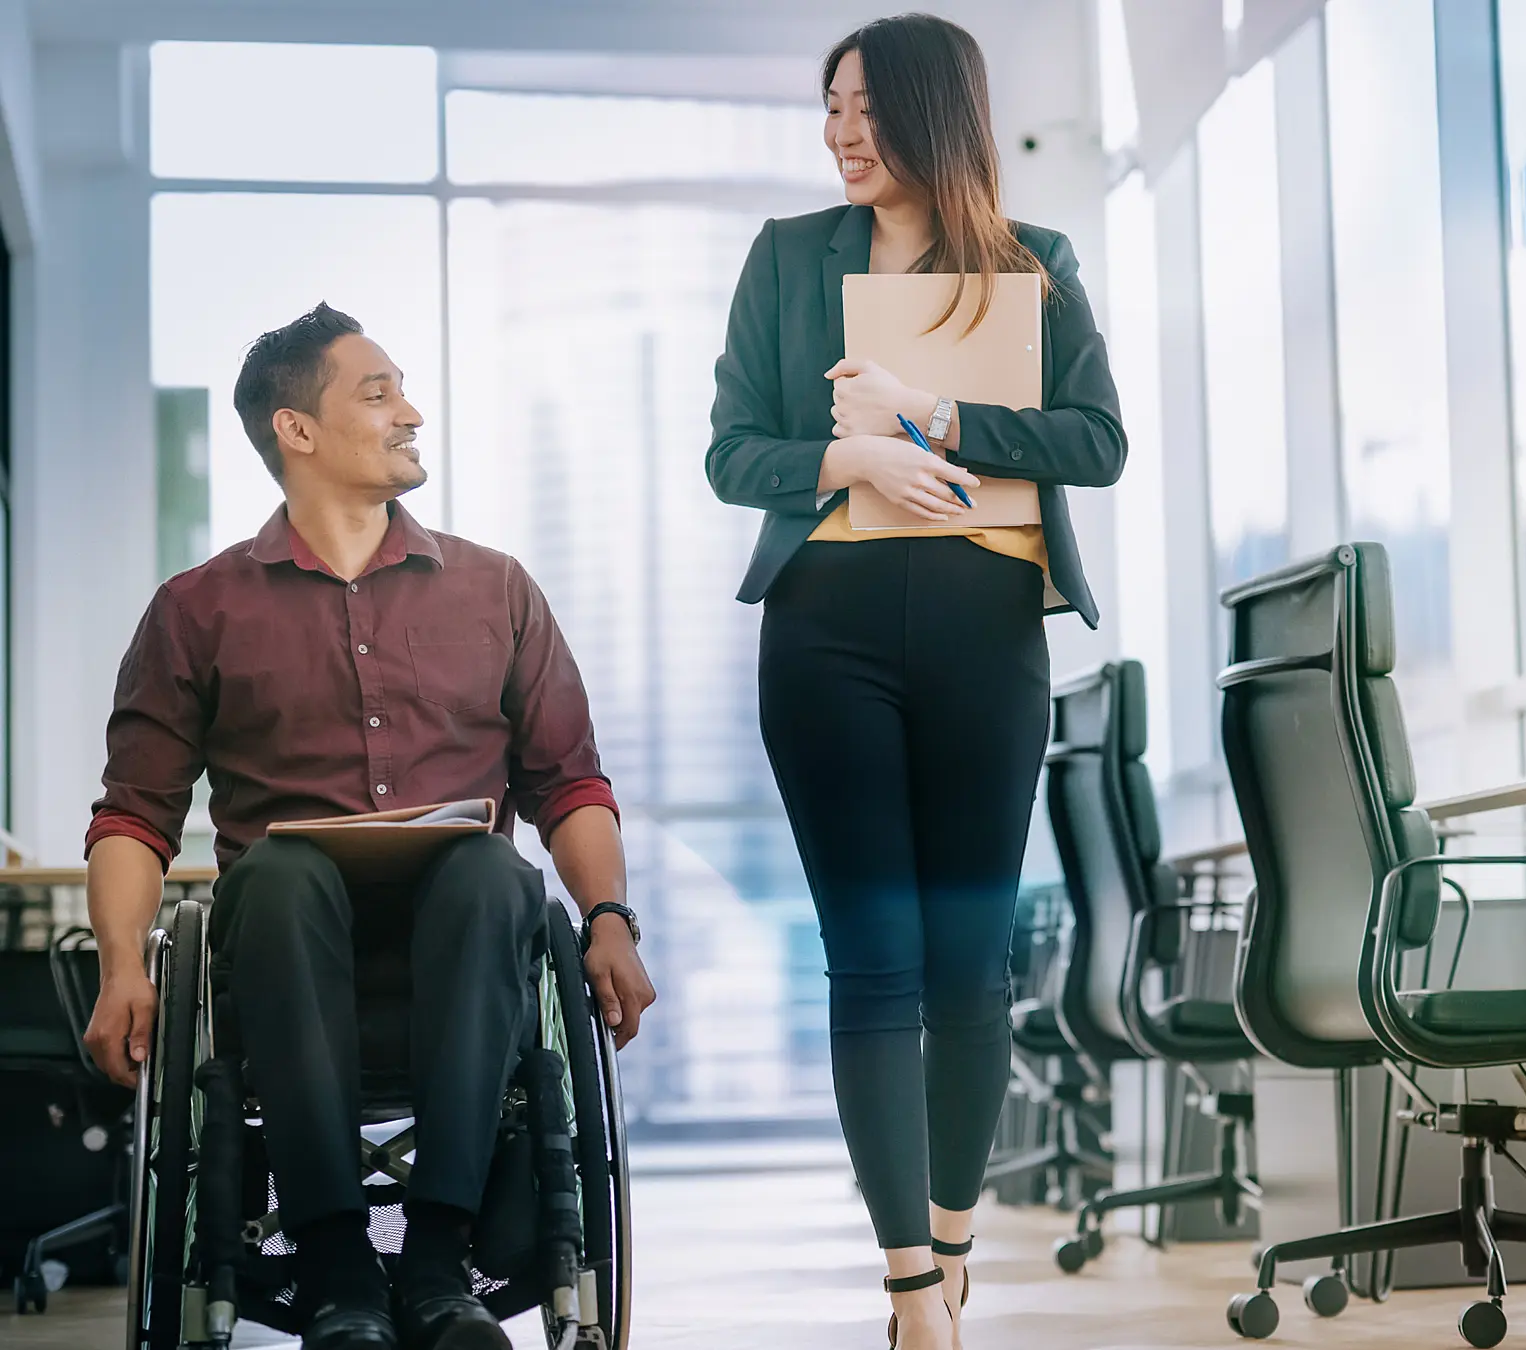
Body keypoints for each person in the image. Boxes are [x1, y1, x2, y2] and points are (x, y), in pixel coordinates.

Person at [82, 304, 657, 1350]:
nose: (412, 413)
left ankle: (440, 1263)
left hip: (468, 946)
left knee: (490, 872)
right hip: (283, 953)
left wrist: (608, 916)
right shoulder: (198, 609)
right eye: (379, 393)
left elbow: (569, 782)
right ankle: (338, 1268)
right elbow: (134, 813)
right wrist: (125, 964)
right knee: (286, 872)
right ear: (296, 431)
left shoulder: (496, 589)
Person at [706, 14, 1125, 1349]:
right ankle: (905, 1287)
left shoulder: (1033, 266)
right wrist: (852, 460)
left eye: (868, 109)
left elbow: (1096, 440)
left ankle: (951, 1246)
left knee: (970, 966)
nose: (841, 132)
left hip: (985, 634)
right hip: (824, 635)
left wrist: (935, 419)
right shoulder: (786, 262)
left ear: (937, 116)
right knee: (872, 962)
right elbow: (731, 453)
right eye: (830, 106)